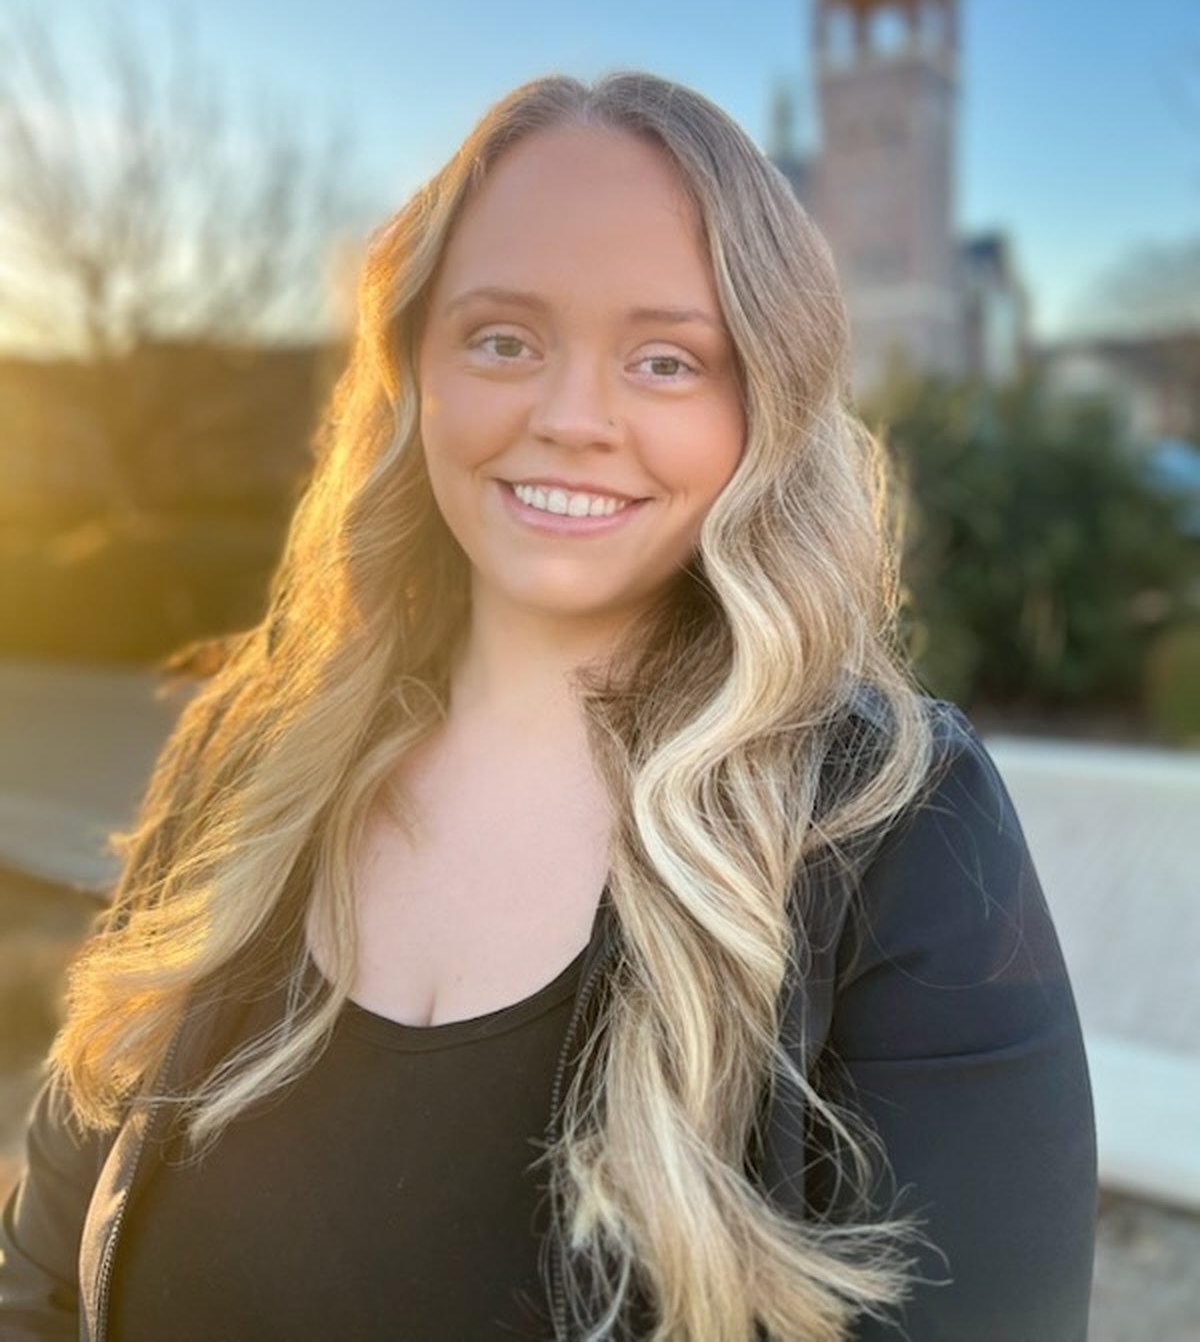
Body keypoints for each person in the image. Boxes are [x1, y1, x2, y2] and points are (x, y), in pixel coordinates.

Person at [0, 71, 1097, 1342]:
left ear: (766, 405)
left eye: (665, 358)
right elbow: (41, 1267)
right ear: (415, 368)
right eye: (505, 338)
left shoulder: (891, 827)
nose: (573, 418)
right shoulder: (249, 754)